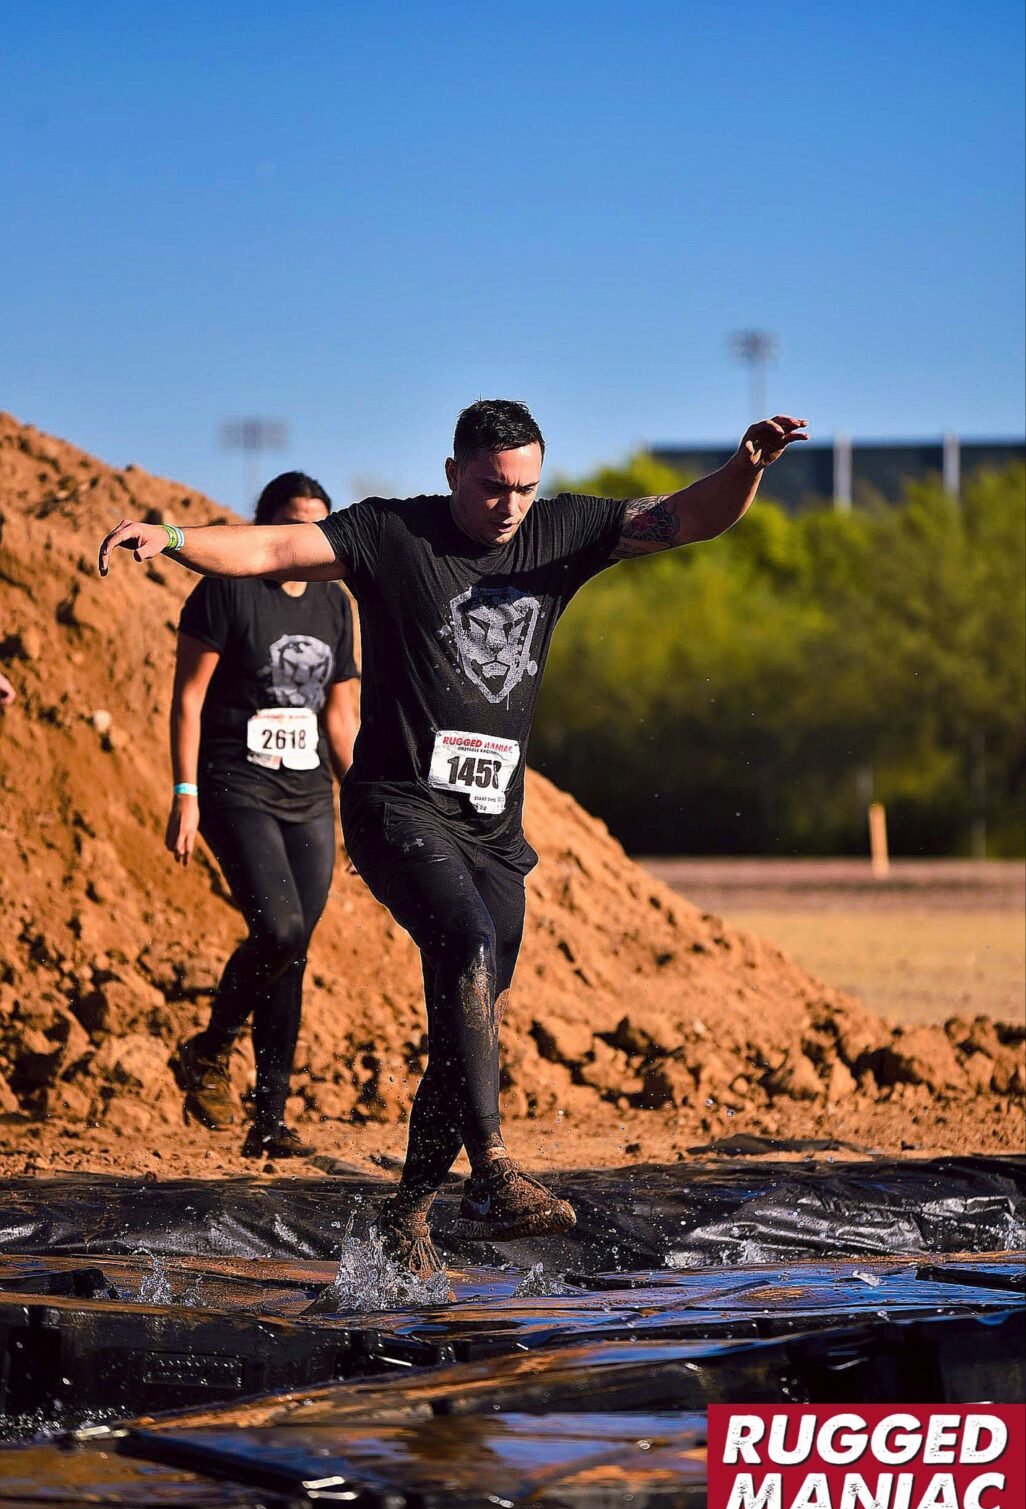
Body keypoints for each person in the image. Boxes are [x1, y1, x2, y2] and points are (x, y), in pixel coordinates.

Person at [99, 400, 807, 1264]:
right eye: (492, 487)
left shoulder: (561, 532)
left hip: (495, 830)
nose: (510, 505)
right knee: (465, 941)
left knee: (469, 1011)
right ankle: (494, 1172)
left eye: (525, 487)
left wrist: (746, 467)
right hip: (396, 805)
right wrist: (173, 538)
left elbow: (688, 517)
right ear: (453, 474)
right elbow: (275, 550)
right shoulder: (393, 534)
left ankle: (408, 1212)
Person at [166, 472, 360, 1158]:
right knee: (278, 930)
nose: (307, 536)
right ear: (265, 525)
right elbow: (188, 699)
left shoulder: (335, 602)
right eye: (293, 522)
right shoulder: (226, 590)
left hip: (309, 795)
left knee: (293, 951)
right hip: (234, 784)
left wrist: (364, 803)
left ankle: (269, 1122)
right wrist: (184, 793)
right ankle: (209, 1050)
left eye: (318, 525)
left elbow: (341, 718)